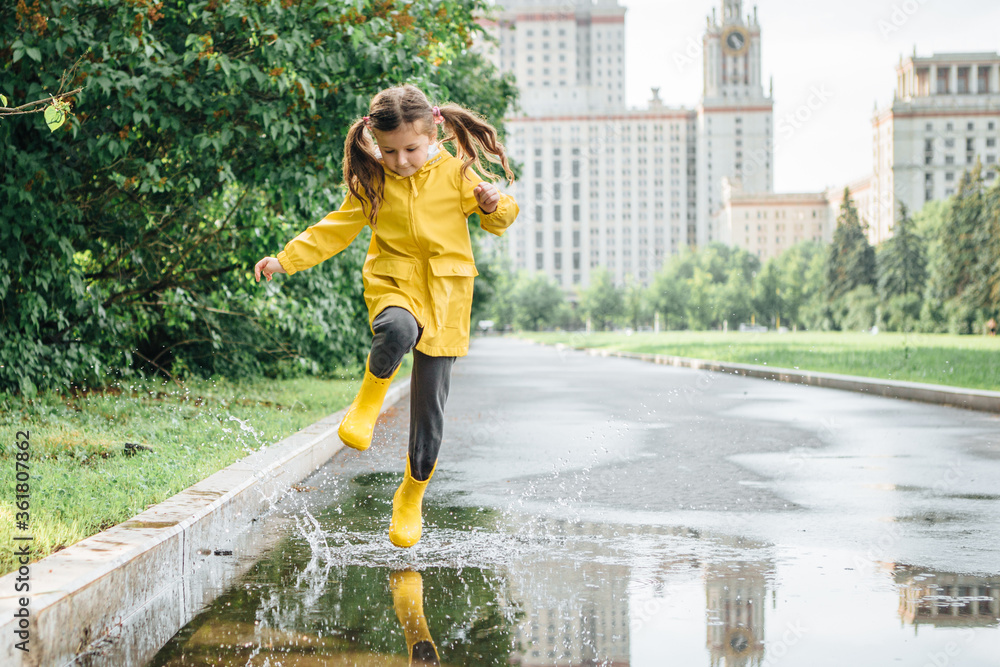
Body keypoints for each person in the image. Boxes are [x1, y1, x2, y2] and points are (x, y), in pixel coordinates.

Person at [254, 84, 518, 548]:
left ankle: (410, 497)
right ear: (376, 142)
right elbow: (333, 229)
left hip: (445, 296)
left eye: (411, 149)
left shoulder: (457, 173)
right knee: (395, 329)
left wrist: (494, 204)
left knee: (430, 415)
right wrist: (285, 259)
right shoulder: (374, 180)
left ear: (433, 131)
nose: (401, 161)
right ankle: (366, 407)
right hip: (394, 283)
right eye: (390, 151)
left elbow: (500, 217)